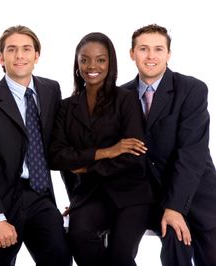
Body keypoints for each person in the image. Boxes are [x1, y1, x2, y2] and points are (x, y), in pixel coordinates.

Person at [0, 25, 72, 266]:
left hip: (40, 195)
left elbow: (61, 147)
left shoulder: (50, 89)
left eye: (26, 49)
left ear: (37, 56)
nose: (19, 55)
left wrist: (76, 200)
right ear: (1, 58)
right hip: (0, 197)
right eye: (11, 50)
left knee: (60, 255)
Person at [48, 32, 154, 266]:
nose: (92, 66)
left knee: (120, 256)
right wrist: (106, 151)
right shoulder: (66, 107)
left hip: (131, 194)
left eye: (100, 59)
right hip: (90, 196)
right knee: (77, 236)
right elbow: (55, 156)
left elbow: (134, 156)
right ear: (77, 64)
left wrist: (85, 167)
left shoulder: (126, 100)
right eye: (84, 59)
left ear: (110, 63)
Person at [121, 24, 216, 266]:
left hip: (196, 195)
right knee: (174, 248)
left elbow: (191, 154)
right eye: (143, 49)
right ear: (132, 53)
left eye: (158, 49)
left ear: (168, 54)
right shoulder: (121, 96)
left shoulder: (191, 90)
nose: (151, 56)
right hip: (151, 200)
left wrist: (175, 207)